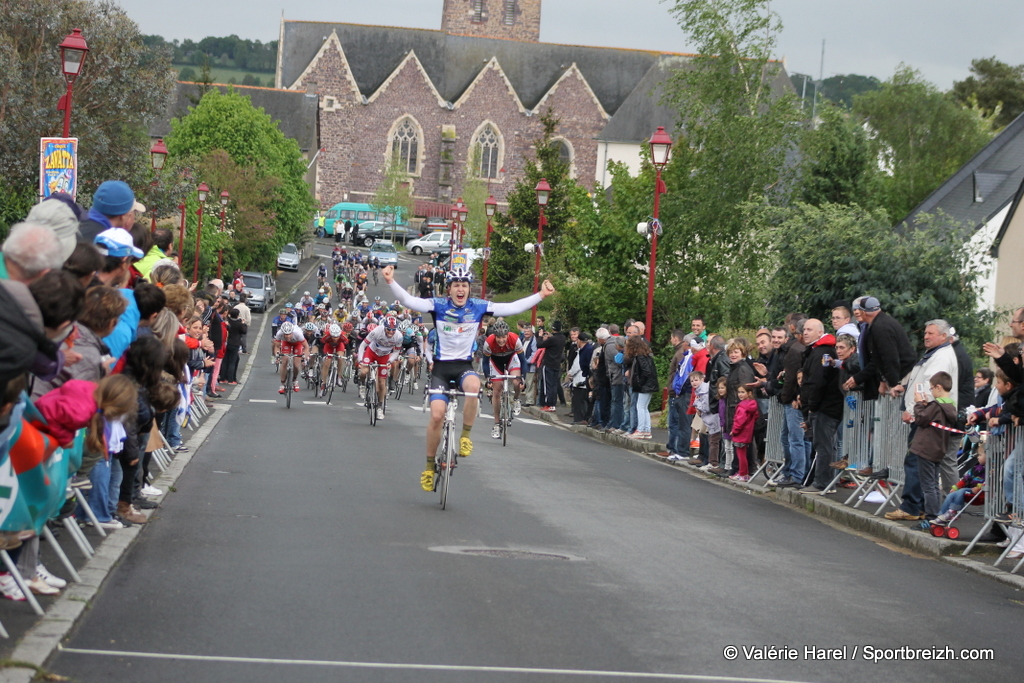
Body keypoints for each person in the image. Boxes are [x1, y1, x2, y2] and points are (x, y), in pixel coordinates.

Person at [382, 264, 554, 491]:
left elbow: (511, 307)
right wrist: (390, 281)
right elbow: (411, 302)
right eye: (456, 285)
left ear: (468, 289)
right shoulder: (438, 305)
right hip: (441, 369)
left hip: (463, 366)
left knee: (474, 385)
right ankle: (429, 466)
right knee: (436, 416)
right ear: (449, 289)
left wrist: (541, 295)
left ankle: (465, 436)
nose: (460, 289)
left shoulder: (478, 307)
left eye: (464, 285)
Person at [885, 372, 957, 523]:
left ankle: (931, 516)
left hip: (926, 449)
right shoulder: (950, 406)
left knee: (928, 485)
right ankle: (936, 513)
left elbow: (921, 418)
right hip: (938, 449)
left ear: (938, 387)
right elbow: (929, 416)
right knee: (934, 485)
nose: (930, 392)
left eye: (931, 389)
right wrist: (925, 406)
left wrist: (918, 403)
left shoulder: (937, 406)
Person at [798, 319, 843, 493]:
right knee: (822, 444)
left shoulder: (822, 353)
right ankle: (821, 481)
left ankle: (822, 482)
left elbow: (817, 381)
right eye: (804, 329)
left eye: (810, 329)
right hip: (823, 405)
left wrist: (812, 405)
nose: (806, 332)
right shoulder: (815, 351)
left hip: (825, 406)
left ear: (819, 332)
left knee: (823, 446)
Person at [483, 319, 524, 437]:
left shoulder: (515, 340)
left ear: (508, 335)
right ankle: (496, 424)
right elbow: (485, 363)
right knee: (497, 390)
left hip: (512, 360)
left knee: (516, 381)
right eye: (498, 337)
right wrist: (488, 379)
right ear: (494, 336)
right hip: (496, 363)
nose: (501, 340)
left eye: (504, 337)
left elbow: (523, 361)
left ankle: (516, 399)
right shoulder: (489, 342)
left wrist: (523, 379)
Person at [357, 315, 404, 417]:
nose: (391, 332)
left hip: (384, 356)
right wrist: (360, 360)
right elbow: (363, 345)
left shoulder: (399, 336)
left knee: (382, 383)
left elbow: (396, 352)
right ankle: (362, 385)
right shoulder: (377, 331)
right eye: (389, 329)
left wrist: (390, 361)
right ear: (384, 327)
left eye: (393, 330)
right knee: (364, 371)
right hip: (372, 352)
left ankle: (379, 407)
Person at [626, 335, 658, 439]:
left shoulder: (639, 357)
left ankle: (640, 429)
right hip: (649, 385)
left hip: (645, 386)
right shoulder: (646, 355)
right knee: (644, 407)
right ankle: (646, 430)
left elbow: (645, 372)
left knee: (640, 407)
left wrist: (639, 383)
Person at [728, 385, 759, 482]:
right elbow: (756, 416)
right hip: (747, 432)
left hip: (740, 433)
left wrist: (734, 430)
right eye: (739, 392)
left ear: (749, 393)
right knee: (743, 454)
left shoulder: (742, 406)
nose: (740, 394)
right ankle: (743, 472)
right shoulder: (752, 405)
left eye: (742, 392)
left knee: (741, 455)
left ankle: (743, 473)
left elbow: (739, 420)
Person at [536, 322, 566, 412]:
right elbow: (555, 339)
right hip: (557, 364)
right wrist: (551, 336)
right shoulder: (562, 338)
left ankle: (548, 404)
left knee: (547, 385)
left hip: (548, 364)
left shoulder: (552, 340)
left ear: (553, 329)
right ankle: (553, 404)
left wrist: (541, 336)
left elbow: (539, 345)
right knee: (553, 385)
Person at [273, 321, 308, 394]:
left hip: (297, 344)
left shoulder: (298, 333)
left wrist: (305, 356)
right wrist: (277, 354)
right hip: (286, 344)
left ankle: (295, 380)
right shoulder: (279, 333)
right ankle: (282, 384)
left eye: (289, 334)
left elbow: (306, 346)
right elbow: (277, 346)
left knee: (296, 364)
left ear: (292, 332)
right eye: (286, 334)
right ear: (283, 333)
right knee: (284, 360)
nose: (288, 336)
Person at [569, 332, 594, 425]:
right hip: (583, 377)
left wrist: (570, 373)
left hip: (581, 378)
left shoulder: (585, 350)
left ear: (579, 340)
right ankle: (582, 418)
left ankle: (579, 419)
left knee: (578, 401)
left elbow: (578, 365)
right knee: (583, 400)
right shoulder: (587, 349)